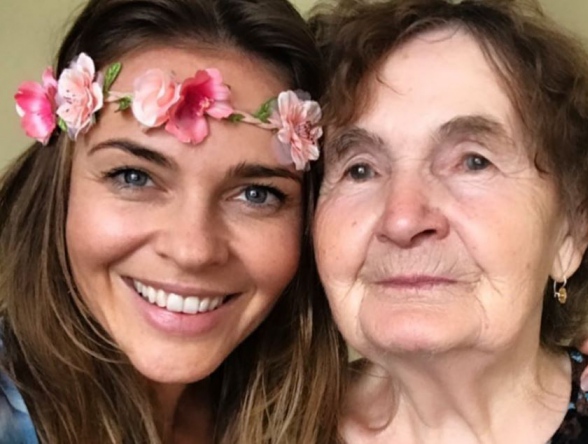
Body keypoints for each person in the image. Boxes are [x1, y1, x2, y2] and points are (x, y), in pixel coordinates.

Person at [0, 0, 343, 442]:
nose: (192, 250)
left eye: (256, 194)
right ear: (58, 188)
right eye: (134, 177)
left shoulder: (342, 418)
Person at [310, 0, 588, 442]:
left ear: (571, 234)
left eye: (474, 162)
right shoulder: (255, 425)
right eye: (359, 169)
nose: (402, 219)